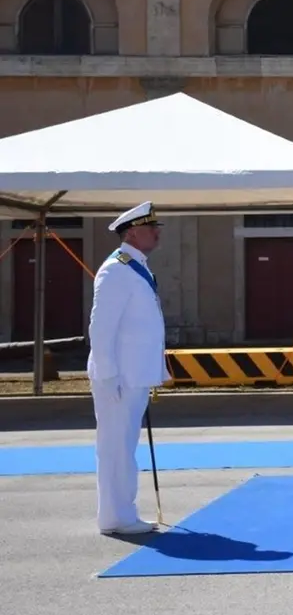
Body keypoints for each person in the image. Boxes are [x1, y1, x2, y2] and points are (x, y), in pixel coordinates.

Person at [87, 201, 170, 535]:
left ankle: (121, 511)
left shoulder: (136, 267)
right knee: (115, 447)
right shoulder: (117, 269)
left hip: (132, 374)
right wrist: (108, 375)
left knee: (123, 446)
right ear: (133, 232)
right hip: (118, 376)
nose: (156, 233)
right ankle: (115, 517)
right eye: (151, 228)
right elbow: (101, 327)